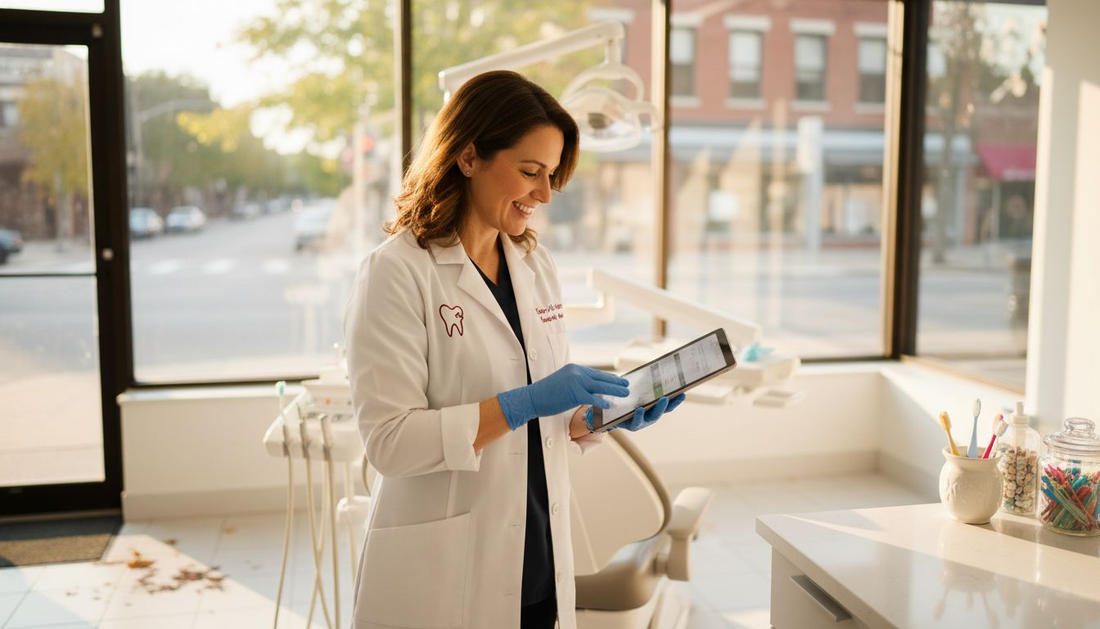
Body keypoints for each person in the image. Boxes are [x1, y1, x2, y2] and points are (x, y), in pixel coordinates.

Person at [344, 70, 685, 629]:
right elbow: (390, 443)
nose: (546, 194)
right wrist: (523, 403)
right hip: (444, 571)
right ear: (469, 156)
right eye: (530, 172)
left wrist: (595, 419)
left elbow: (545, 421)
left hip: (537, 560)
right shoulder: (397, 272)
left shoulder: (533, 264)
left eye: (551, 176)